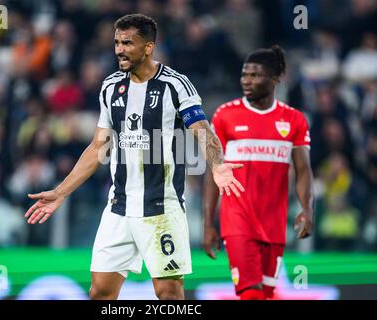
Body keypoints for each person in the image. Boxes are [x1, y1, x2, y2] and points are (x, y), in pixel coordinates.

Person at [24, 14, 244, 300]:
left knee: (168, 293)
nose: (119, 50)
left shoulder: (176, 85)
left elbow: (201, 129)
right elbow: (97, 148)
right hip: (119, 208)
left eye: (127, 43)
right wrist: (61, 192)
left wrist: (216, 163)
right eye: (116, 42)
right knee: (100, 291)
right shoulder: (111, 87)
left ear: (148, 47)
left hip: (162, 208)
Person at [203, 45, 314, 300]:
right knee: (250, 294)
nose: (246, 81)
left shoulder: (294, 120)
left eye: (255, 75)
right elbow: (213, 172)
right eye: (244, 75)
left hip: (274, 223)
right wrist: (208, 223)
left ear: (275, 79)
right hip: (237, 220)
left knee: (265, 294)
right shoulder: (225, 115)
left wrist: (307, 208)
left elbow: (303, 170)